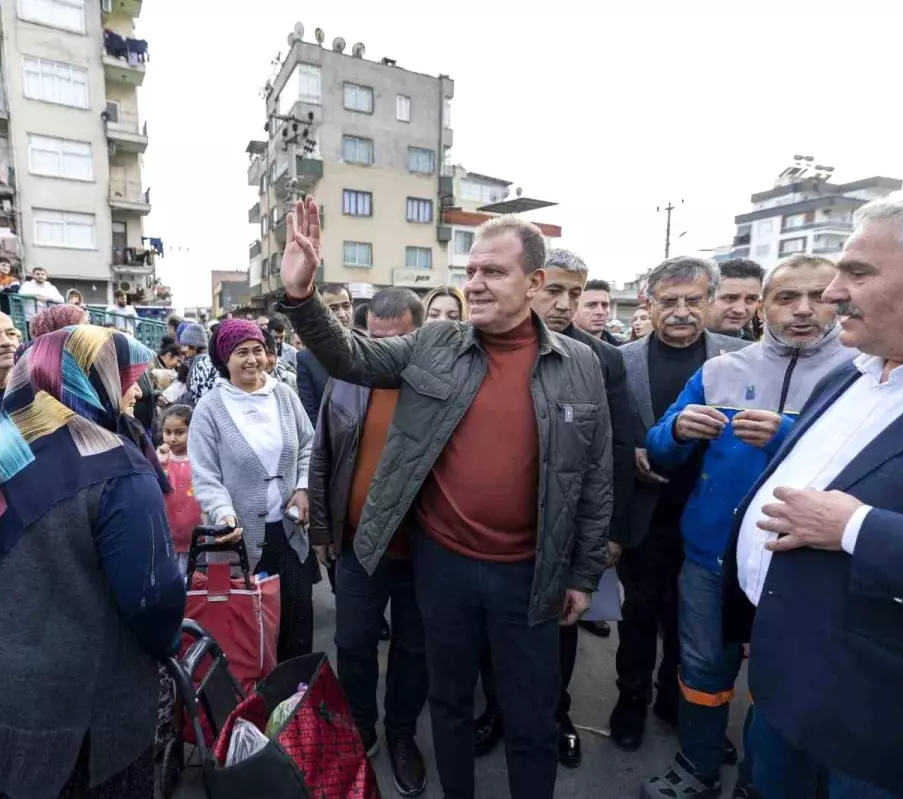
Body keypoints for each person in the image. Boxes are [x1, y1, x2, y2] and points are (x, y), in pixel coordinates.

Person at [279, 199, 612, 799]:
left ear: (535, 283)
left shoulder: (581, 364)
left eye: (494, 272)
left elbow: (593, 477)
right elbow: (351, 357)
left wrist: (584, 572)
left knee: (532, 716)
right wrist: (302, 299)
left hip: (531, 575)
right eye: (472, 271)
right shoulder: (436, 343)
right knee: (450, 703)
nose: (476, 283)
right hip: (445, 568)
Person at [719, 193, 903, 799]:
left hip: (881, 732)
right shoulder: (846, 372)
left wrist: (857, 528)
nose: (831, 294)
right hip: (781, 680)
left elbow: (848, 521)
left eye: (859, 272)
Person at [0, 324, 185, 798]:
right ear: (88, 381)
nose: (134, 393)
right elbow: (152, 596)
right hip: (67, 717)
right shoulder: (118, 466)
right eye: (124, 377)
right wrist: (168, 644)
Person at [641, 255, 852, 799]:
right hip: (712, 555)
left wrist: (787, 434)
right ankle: (696, 766)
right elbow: (660, 447)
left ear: (839, 298)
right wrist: (678, 430)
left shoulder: (862, 371)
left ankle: (760, 782)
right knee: (703, 667)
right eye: (786, 298)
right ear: (763, 306)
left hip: (804, 561)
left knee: (779, 682)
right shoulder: (720, 370)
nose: (803, 310)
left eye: (818, 296)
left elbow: (868, 471)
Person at [473, 247, 639, 769]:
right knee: (492, 634)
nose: (566, 303)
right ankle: (498, 708)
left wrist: (610, 535)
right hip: (493, 535)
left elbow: (611, 453)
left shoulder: (599, 359)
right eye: (556, 291)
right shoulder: (480, 349)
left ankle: (556, 714)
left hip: (564, 533)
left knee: (559, 631)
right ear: (530, 286)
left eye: (576, 292)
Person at [612, 257, 749, 752]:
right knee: (639, 617)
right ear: (648, 303)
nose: (682, 312)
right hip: (646, 513)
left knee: (694, 619)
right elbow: (602, 433)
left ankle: (676, 699)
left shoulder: (740, 359)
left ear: (711, 302)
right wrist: (632, 454)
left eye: (694, 300)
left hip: (711, 517)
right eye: (669, 301)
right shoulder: (619, 360)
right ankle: (630, 699)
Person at [309, 287, 429, 795]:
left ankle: (402, 733)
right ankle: (361, 727)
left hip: (424, 553)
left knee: (414, 648)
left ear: (418, 336)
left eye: (397, 339)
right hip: (357, 546)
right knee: (353, 643)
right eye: (374, 339)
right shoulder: (346, 379)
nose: (384, 350)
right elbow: (323, 456)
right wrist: (320, 528)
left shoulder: (440, 387)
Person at [189, 319, 317, 661]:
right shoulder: (210, 409)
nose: (252, 359)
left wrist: (303, 488)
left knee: (297, 623)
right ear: (224, 360)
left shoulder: (284, 396)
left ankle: (295, 703)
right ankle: (250, 705)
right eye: (241, 352)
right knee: (246, 632)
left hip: (289, 533)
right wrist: (223, 514)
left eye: (258, 350)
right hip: (236, 540)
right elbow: (206, 475)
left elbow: (308, 446)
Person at [296, 284, 354, 424]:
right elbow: (311, 412)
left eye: (346, 306)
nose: (341, 314)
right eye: (333, 308)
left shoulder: (368, 347)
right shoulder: (306, 359)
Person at [157, 404, 203, 574]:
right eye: (167, 432)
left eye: (179, 432)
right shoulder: (160, 459)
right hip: (168, 538)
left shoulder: (200, 459)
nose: (172, 438)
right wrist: (160, 464)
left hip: (196, 537)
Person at [708, 259, 765, 340]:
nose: (740, 310)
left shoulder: (758, 349)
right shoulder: (685, 345)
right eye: (730, 298)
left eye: (751, 299)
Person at [571, 278, 621, 345]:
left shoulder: (620, 352)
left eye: (604, 305)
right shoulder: (556, 348)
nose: (600, 312)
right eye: (591, 305)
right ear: (573, 309)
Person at [182, 323, 218, 401]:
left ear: (195, 345)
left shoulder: (200, 364)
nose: (182, 349)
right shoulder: (203, 359)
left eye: (185, 345)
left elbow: (195, 395)